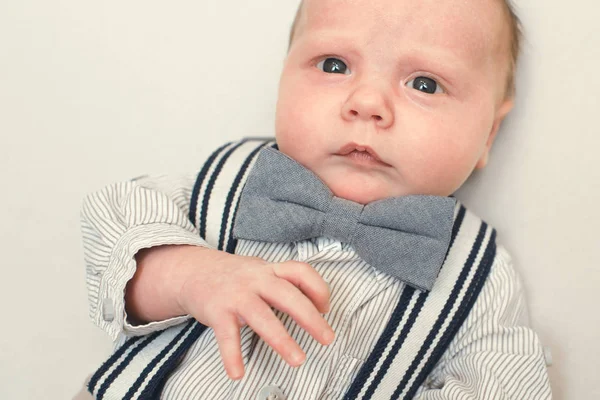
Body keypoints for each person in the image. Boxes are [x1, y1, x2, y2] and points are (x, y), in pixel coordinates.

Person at [80, 0, 552, 398]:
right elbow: (116, 222)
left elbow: (507, 383)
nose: (367, 102)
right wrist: (188, 274)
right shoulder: (225, 181)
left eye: (424, 84)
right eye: (334, 65)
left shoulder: (476, 275)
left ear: (489, 132)